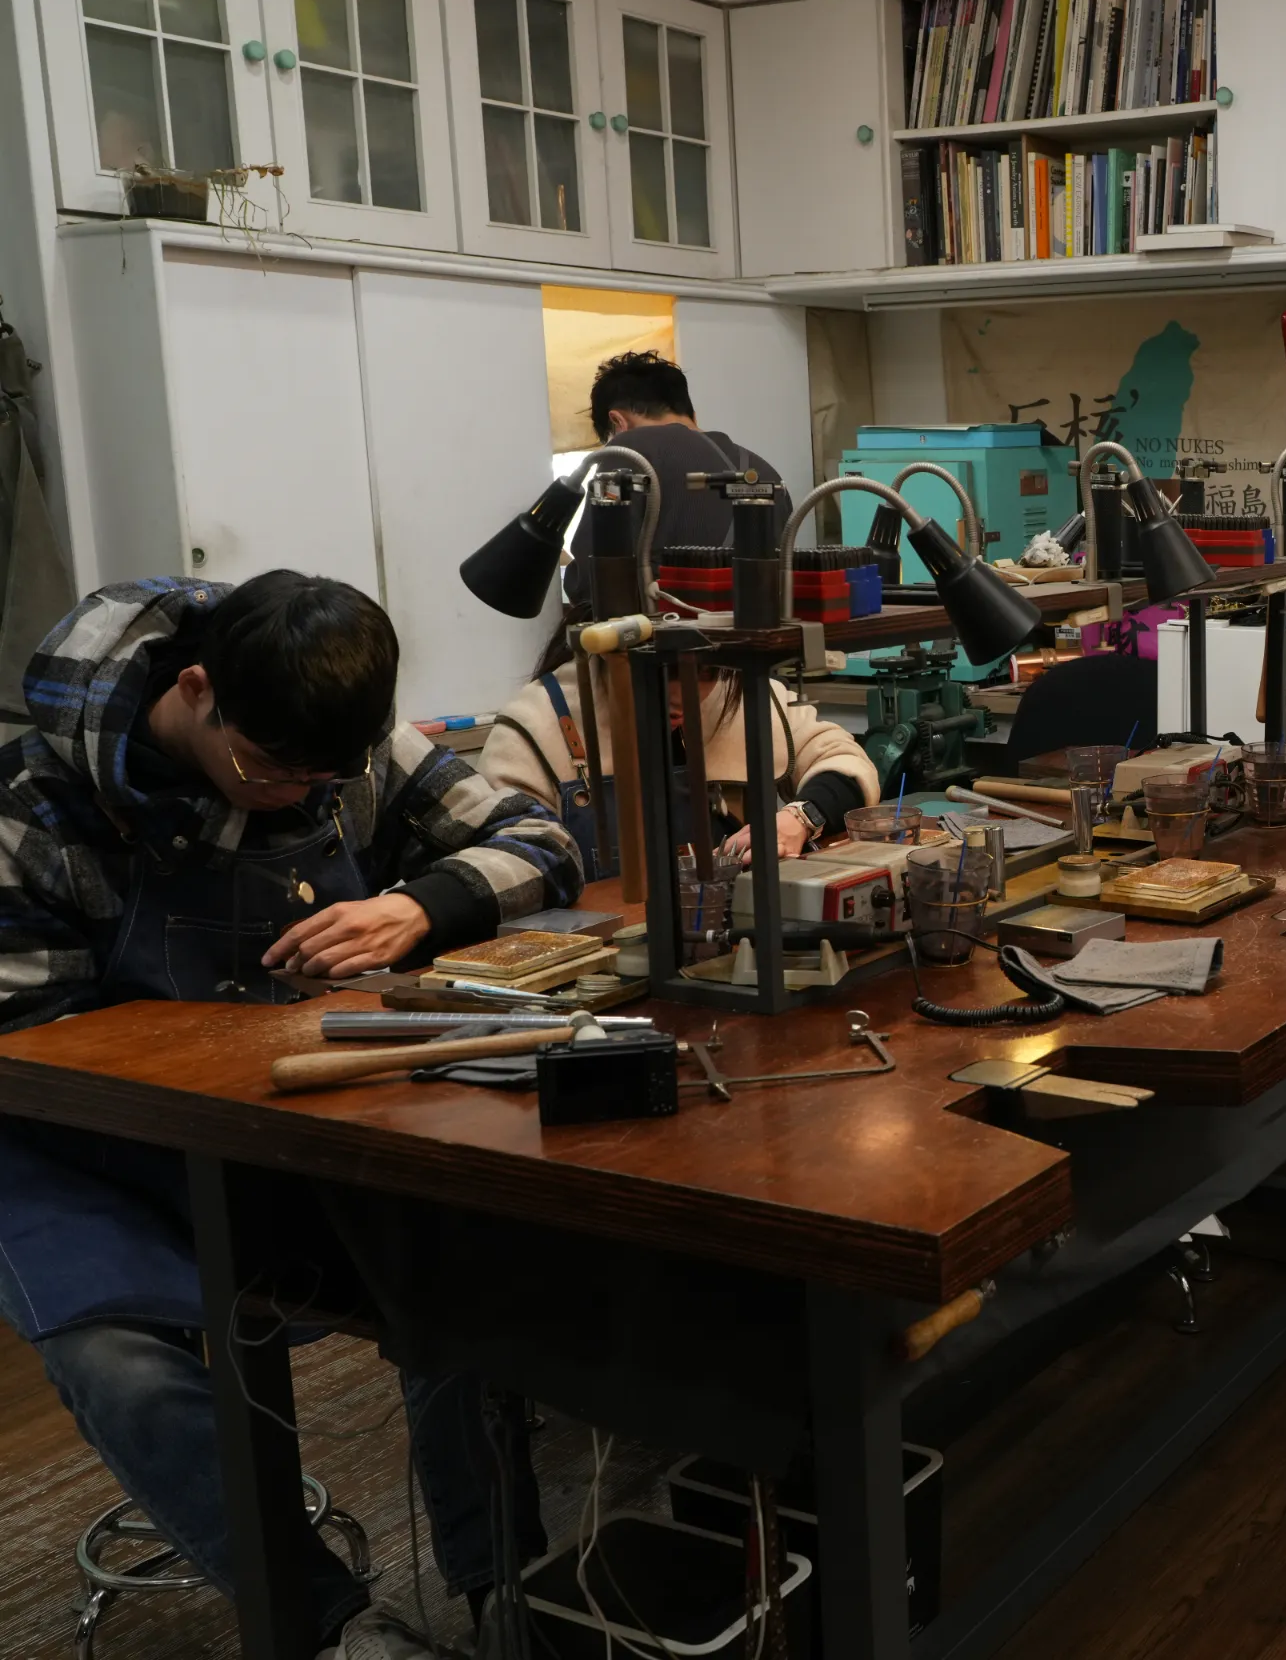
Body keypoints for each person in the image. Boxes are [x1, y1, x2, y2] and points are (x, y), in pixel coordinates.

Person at [0, 573, 586, 1657]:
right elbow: (32, 1049)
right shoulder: (34, 804)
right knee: (116, 1360)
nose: (298, 797)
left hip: (301, 1118)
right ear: (195, 689)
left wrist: (420, 903)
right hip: (95, 1152)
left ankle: (506, 1586)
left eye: (329, 777)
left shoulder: (336, 745)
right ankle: (333, 1624)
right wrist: (229, 1063)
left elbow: (540, 841)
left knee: (463, 1267)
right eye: (269, 769)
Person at [482, 619, 880, 873]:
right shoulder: (536, 724)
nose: (682, 698)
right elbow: (507, 867)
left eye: (704, 671)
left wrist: (800, 817)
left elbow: (842, 759)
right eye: (663, 670)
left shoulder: (736, 691)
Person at [578, 350, 790, 570]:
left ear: (618, 422)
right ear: (692, 416)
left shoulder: (629, 450)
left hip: (662, 594)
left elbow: (591, 569)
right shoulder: (766, 473)